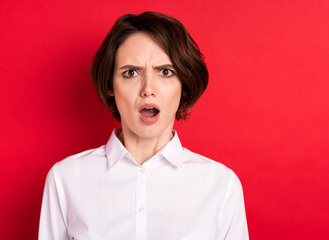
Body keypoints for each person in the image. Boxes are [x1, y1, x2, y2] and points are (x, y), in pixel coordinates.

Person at [38, 12, 249, 240]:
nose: (148, 88)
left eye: (165, 72)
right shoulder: (65, 179)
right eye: (131, 72)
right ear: (111, 85)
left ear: (184, 85)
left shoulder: (221, 185)